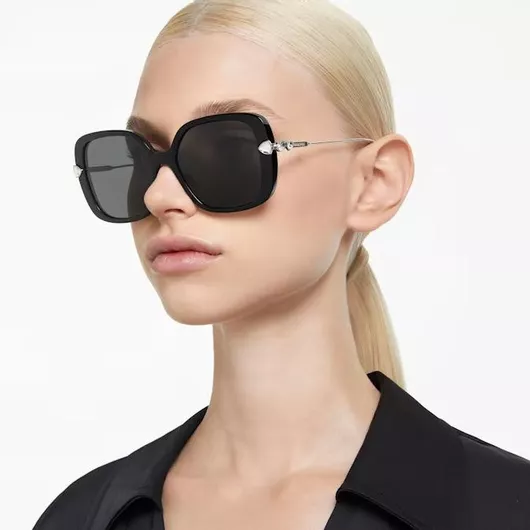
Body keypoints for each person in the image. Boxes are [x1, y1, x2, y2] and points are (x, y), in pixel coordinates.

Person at [34, 0, 530, 528]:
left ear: (374, 183)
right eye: (138, 157)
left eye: (227, 149)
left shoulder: (505, 508)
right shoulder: (80, 517)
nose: (159, 196)